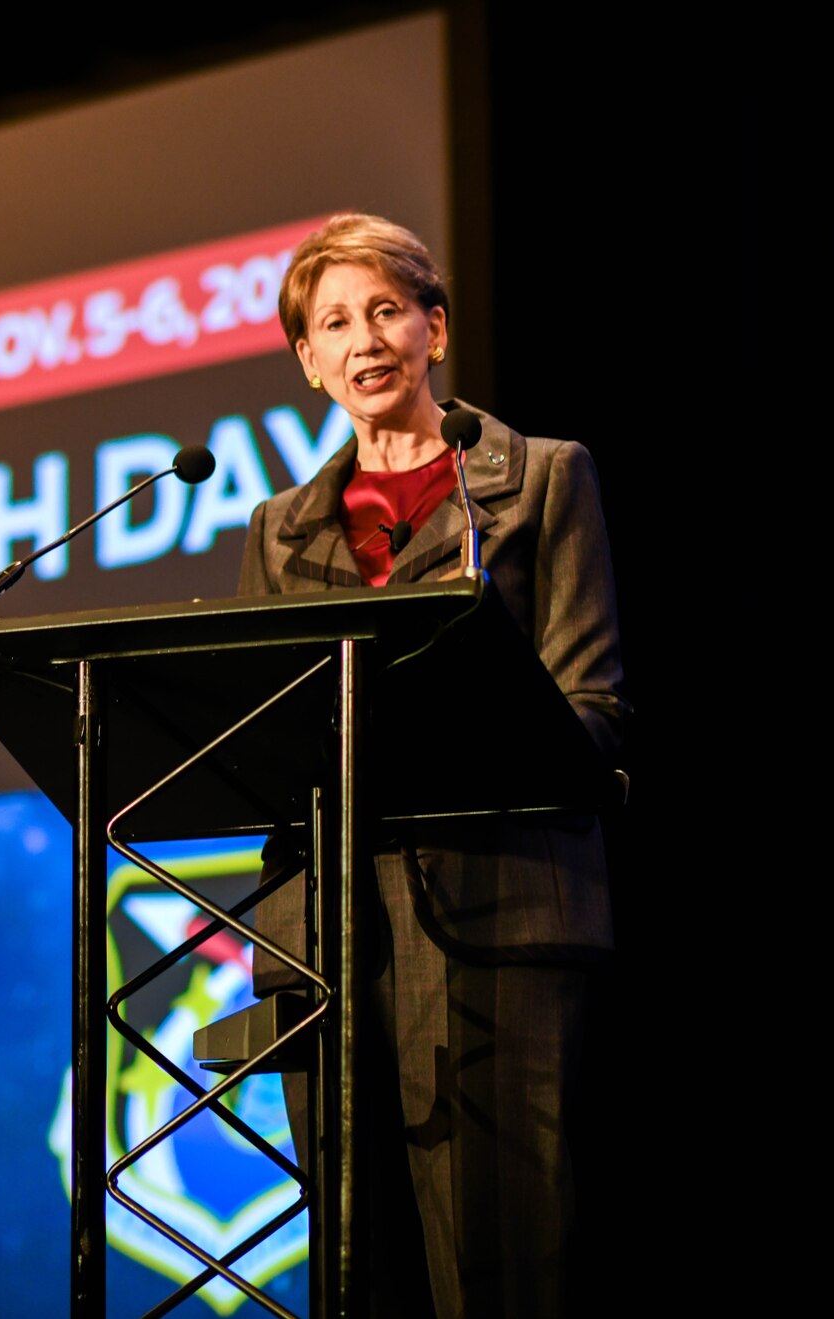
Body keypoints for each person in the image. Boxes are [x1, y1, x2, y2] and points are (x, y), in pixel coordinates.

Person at [239, 213, 629, 1318]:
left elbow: (593, 711)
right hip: (328, 941)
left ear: (433, 328)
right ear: (306, 363)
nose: (363, 339)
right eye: (331, 323)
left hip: (497, 915)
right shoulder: (278, 530)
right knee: (355, 1276)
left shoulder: (542, 479)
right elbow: (265, 741)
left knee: (499, 1270)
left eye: (384, 309)